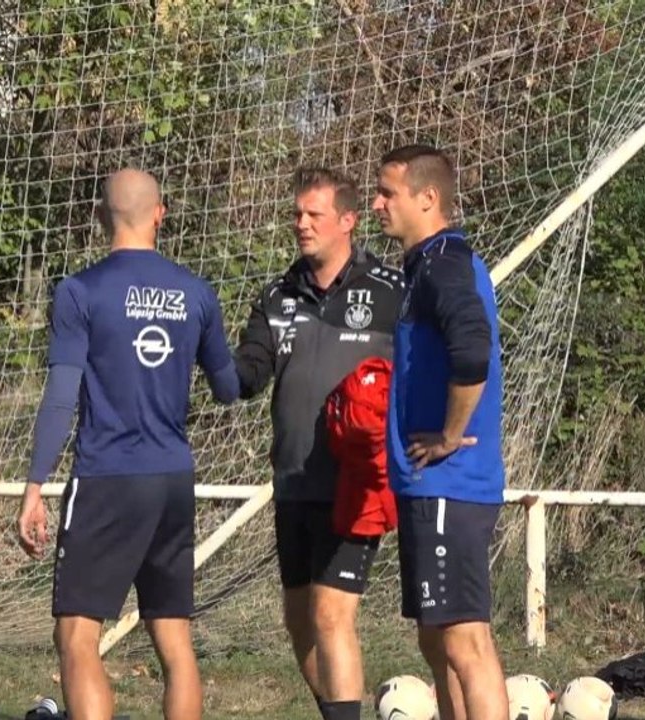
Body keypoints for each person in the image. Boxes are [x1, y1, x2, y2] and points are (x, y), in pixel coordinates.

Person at [16, 168, 240, 720]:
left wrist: (34, 485)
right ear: (160, 214)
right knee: (175, 642)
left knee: (76, 637)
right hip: (172, 480)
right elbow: (230, 387)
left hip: (108, 479)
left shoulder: (80, 291)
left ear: (99, 217)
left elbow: (61, 397)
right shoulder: (197, 293)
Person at [234, 167, 404, 720]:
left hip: (354, 485)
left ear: (348, 221)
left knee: (332, 615)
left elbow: (424, 371)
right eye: (297, 215)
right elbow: (247, 376)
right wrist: (204, 345)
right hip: (293, 480)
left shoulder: (390, 293)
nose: (301, 225)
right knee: (301, 622)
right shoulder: (279, 294)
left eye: (314, 215)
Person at [372, 144, 508, 720]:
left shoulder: (444, 260)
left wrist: (451, 434)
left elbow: (472, 345)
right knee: (436, 639)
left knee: (463, 641)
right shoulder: (423, 266)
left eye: (388, 193)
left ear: (428, 199)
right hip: (427, 486)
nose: (378, 204)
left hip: (452, 480)